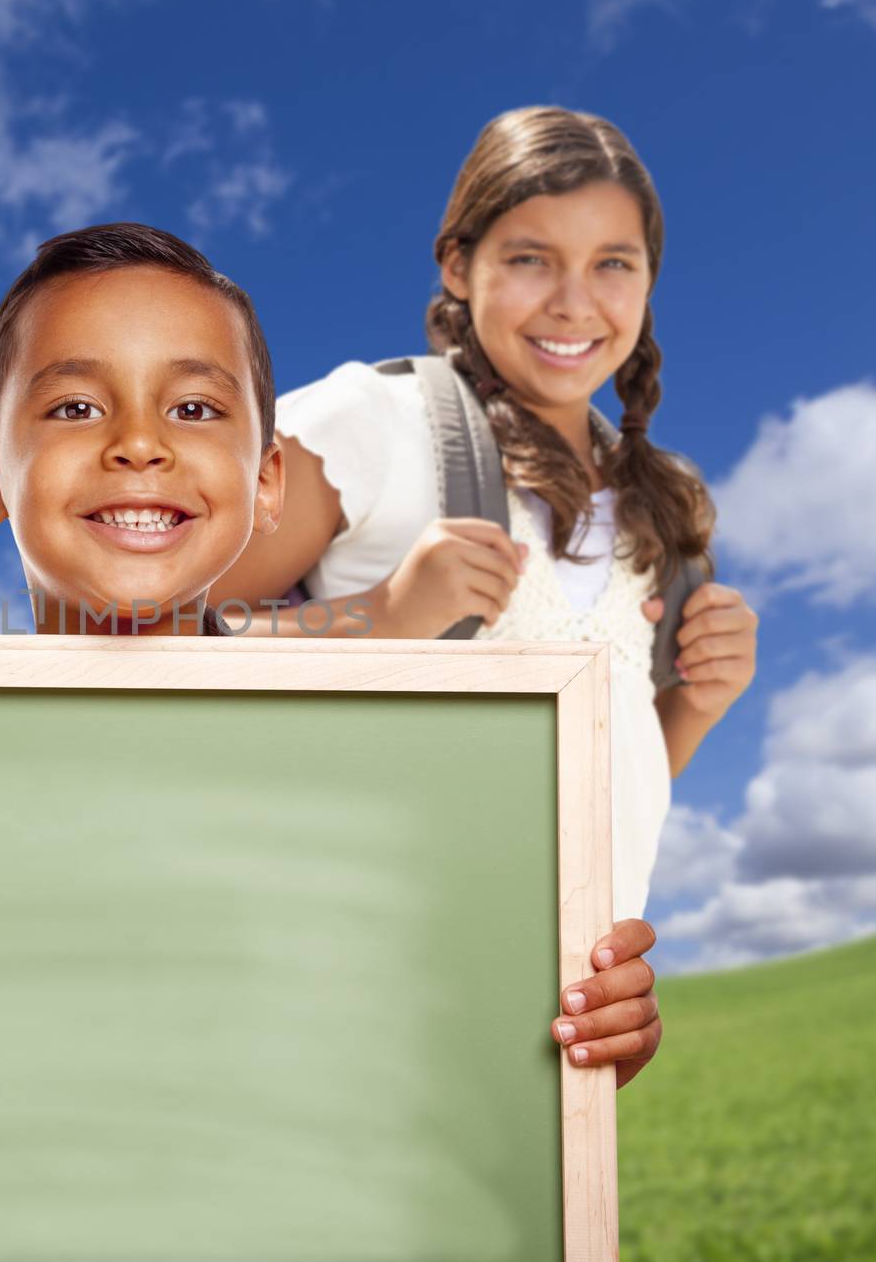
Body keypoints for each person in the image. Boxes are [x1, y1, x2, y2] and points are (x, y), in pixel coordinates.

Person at [0, 220, 661, 1086]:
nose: (138, 442)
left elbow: (453, 1048)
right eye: (76, 404)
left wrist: (584, 1037)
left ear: (269, 480)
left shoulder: (396, 781)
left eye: (192, 405)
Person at [212, 108, 760, 1082]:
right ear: (457, 266)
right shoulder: (372, 422)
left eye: (613, 263)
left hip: (532, 1051)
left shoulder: (664, 506)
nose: (573, 302)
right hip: (331, 1009)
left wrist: (695, 706)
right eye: (529, 258)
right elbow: (155, 639)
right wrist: (384, 618)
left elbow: (619, 785)